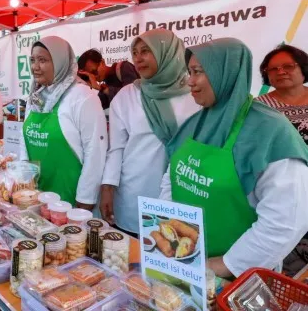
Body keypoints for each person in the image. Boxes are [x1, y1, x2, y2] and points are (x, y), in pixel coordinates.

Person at [162, 38, 308, 278]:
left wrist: (222, 265)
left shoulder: (270, 130)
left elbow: (286, 221)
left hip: (239, 275)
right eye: (189, 72)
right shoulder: (196, 122)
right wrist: (170, 233)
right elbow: (172, 178)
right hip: (183, 259)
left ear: (226, 72)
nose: (190, 81)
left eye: (198, 71)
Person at [99, 29, 200, 235]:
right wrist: (107, 187)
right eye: (134, 53)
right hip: (135, 191)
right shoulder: (127, 96)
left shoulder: (195, 94)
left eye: (146, 51)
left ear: (168, 52)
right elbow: (116, 148)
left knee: (175, 248)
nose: (138, 58)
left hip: (183, 190)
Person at [19, 36, 107, 207]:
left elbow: (95, 152)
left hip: (70, 199)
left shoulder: (83, 97)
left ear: (60, 62)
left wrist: (85, 200)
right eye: (32, 60)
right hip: (36, 196)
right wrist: (25, 182)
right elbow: (25, 140)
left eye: (42, 60)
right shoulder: (35, 97)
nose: (35, 67)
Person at [257, 44, 308, 276]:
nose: (281, 71)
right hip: (282, 190)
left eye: (288, 66)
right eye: (273, 68)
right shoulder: (259, 107)